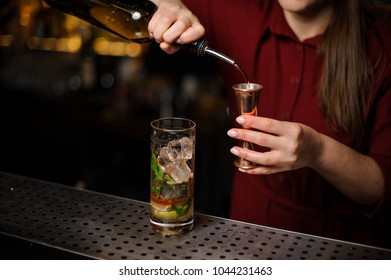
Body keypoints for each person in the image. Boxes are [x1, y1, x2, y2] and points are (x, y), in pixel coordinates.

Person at [148, 0, 391, 248]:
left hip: (342, 248)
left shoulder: (382, 44)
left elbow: (381, 187)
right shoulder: (239, 8)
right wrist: (166, 3)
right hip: (247, 237)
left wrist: (317, 150)